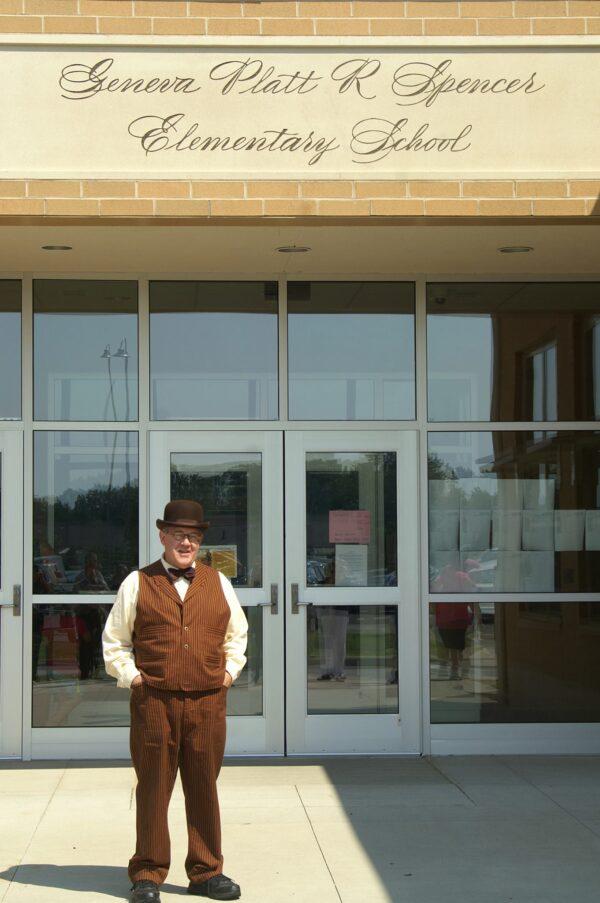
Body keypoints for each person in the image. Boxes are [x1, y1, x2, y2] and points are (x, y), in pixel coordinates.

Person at [102, 500, 248, 903]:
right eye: (179, 534)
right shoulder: (137, 582)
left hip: (207, 703)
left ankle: (206, 871)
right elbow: (115, 642)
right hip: (155, 703)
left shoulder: (219, 582)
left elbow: (237, 635)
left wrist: (229, 674)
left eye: (194, 536)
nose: (186, 542)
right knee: (153, 787)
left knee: (204, 786)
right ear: (162, 536)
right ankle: (147, 873)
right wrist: (133, 678)